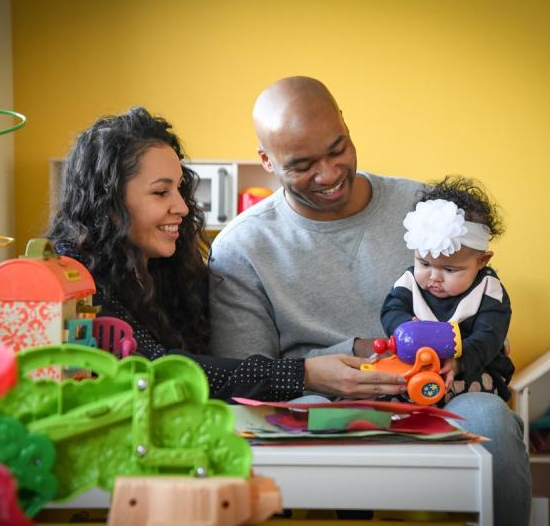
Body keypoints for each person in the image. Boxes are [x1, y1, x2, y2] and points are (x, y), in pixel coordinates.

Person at [208, 77, 531, 525]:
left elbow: (476, 287)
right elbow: (247, 372)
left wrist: (477, 346)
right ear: (266, 161)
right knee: (295, 426)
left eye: (337, 149)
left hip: (437, 394)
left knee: (489, 416)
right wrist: (345, 358)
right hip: (314, 397)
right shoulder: (241, 247)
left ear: (344, 123)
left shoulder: (425, 209)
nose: (328, 174)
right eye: (302, 164)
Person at [47, 106, 402, 402]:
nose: (182, 208)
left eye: (179, 190)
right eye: (160, 193)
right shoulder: (73, 277)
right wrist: (305, 374)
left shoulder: (167, 270)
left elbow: (216, 363)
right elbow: (154, 369)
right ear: (109, 203)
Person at [380, 176, 515, 405]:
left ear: (482, 261)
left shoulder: (489, 290)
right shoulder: (409, 280)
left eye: (450, 269)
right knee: (385, 387)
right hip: (416, 364)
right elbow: (391, 309)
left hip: (472, 367)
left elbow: (489, 337)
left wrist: (459, 362)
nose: (434, 276)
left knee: (478, 390)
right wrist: (405, 328)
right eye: (424, 263)